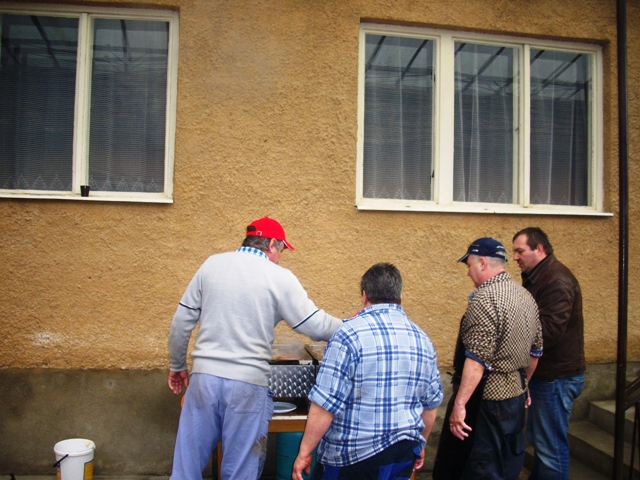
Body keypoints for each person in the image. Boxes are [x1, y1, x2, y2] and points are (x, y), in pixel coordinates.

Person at [167, 216, 343, 480]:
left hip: (203, 380)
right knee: (240, 473)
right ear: (271, 245)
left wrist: (178, 365)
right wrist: (351, 327)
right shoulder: (279, 277)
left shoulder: (211, 265)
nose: (280, 258)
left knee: (185, 470)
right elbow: (315, 324)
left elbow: (181, 321)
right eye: (281, 251)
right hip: (247, 386)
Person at [292, 262, 443, 480]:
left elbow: (325, 403)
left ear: (364, 296)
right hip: (403, 453)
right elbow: (430, 406)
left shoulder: (348, 334)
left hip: (353, 456)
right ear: (400, 297)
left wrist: (305, 452)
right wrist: (421, 444)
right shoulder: (423, 339)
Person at [438, 237, 543, 480]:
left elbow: (477, 360)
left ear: (483, 263)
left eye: (469, 266)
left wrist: (460, 405)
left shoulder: (485, 299)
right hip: (516, 396)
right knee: (509, 463)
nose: (468, 273)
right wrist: (524, 385)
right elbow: (536, 352)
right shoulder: (526, 296)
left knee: (483, 467)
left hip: (488, 401)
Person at [512, 227, 586, 480]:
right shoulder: (539, 277)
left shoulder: (556, 280)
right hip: (548, 375)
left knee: (550, 448)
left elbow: (549, 331)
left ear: (539, 249)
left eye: (520, 251)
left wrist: (512, 331)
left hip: (556, 377)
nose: (515, 257)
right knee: (542, 442)